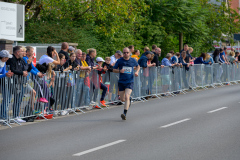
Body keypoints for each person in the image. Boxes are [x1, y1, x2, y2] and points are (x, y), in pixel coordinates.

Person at [113, 47, 140, 120]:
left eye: (127, 52)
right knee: (122, 99)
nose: (125, 54)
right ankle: (129, 100)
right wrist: (119, 71)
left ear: (130, 53)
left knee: (127, 96)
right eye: (124, 52)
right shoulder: (119, 61)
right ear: (122, 53)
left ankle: (124, 113)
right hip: (121, 81)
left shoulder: (132, 60)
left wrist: (137, 72)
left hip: (129, 81)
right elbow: (114, 69)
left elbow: (138, 66)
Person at [6, 46, 32, 121]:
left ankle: (17, 116)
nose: (24, 53)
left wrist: (29, 64)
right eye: (22, 51)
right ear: (18, 52)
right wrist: (22, 72)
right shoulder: (11, 59)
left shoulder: (21, 59)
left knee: (19, 99)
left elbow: (26, 69)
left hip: (20, 82)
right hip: (12, 82)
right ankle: (6, 117)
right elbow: (12, 69)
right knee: (9, 99)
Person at [0, 50, 14, 121]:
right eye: (7, 57)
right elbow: (2, 74)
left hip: (2, 82)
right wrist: (5, 74)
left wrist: (8, 72)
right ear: (3, 57)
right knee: (6, 98)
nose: (8, 59)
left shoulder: (4, 62)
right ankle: (2, 115)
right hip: (1, 81)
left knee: (7, 98)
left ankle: (3, 115)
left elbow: (3, 72)